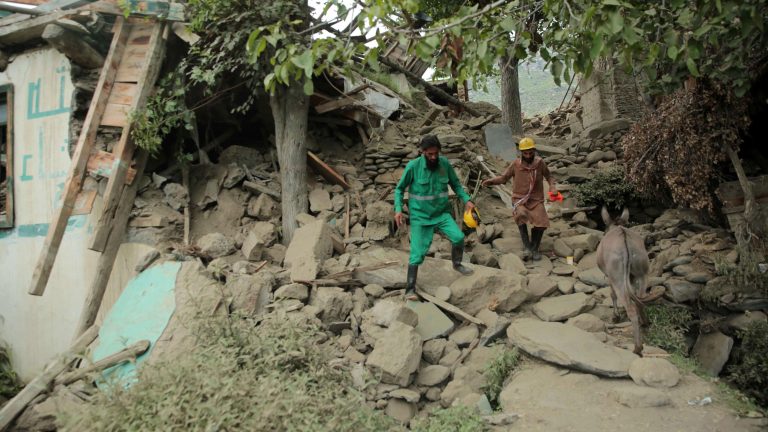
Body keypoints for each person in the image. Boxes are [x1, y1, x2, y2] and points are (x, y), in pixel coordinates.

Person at [395, 135, 475, 300]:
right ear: (423, 152)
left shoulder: (444, 164)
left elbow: (456, 185)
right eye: (430, 154)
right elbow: (399, 189)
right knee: (417, 254)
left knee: (459, 237)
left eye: (436, 154)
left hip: (441, 214)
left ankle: (457, 264)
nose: (433, 157)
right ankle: (410, 289)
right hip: (420, 217)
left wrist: (467, 200)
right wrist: (397, 210)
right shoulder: (413, 166)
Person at [482, 137, 557, 261]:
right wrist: (491, 181)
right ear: (521, 153)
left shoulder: (540, 163)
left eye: (530, 152)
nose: (528, 155)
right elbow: (504, 178)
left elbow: (549, 176)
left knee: (542, 223)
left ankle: (534, 247)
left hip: (536, 199)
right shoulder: (516, 164)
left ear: (534, 150)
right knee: (520, 216)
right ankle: (527, 246)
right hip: (519, 199)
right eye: (525, 153)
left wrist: (552, 186)